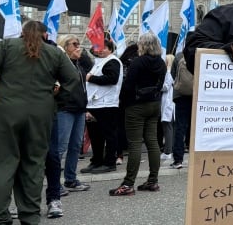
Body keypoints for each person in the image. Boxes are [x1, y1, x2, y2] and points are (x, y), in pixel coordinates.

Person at [0, 20, 80, 224]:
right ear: (45, 35)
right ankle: (30, 216)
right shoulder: (54, 53)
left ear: (22, 33)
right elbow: (73, 79)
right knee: (34, 164)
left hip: (4, 112)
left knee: (1, 163)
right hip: (40, 113)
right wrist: (56, 100)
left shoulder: (6, 46)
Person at [110, 32, 168, 196]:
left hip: (136, 105)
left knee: (135, 143)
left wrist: (123, 101)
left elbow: (128, 85)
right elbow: (161, 84)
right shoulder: (162, 63)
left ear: (142, 46)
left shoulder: (138, 62)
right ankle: (153, 181)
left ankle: (128, 184)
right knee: (152, 141)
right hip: (154, 104)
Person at [55, 34, 93, 193]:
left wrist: (80, 53)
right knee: (60, 147)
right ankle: (54, 182)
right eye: (74, 44)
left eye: (79, 43)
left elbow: (90, 63)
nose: (78, 46)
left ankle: (70, 179)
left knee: (76, 146)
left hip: (79, 109)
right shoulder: (61, 65)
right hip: (65, 109)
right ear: (64, 47)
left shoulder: (79, 64)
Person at [82, 38, 123, 174]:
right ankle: (97, 160)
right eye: (98, 48)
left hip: (107, 104)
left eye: (104, 47)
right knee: (95, 135)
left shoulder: (113, 61)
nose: (100, 50)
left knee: (109, 134)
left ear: (110, 49)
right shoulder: (99, 62)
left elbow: (112, 79)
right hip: (95, 104)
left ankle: (110, 162)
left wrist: (91, 78)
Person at [171, 52, 192, 169]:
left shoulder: (179, 56)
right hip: (197, 95)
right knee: (195, 128)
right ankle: (196, 158)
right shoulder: (200, 53)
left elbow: (173, 75)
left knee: (180, 127)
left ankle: (178, 160)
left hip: (180, 95)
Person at [158, 54, 175, 162]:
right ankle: (170, 149)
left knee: (167, 126)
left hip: (168, 102)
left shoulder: (168, 73)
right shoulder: (174, 72)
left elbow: (165, 87)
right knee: (171, 127)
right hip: (171, 102)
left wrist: (157, 85)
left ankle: (168, 151)